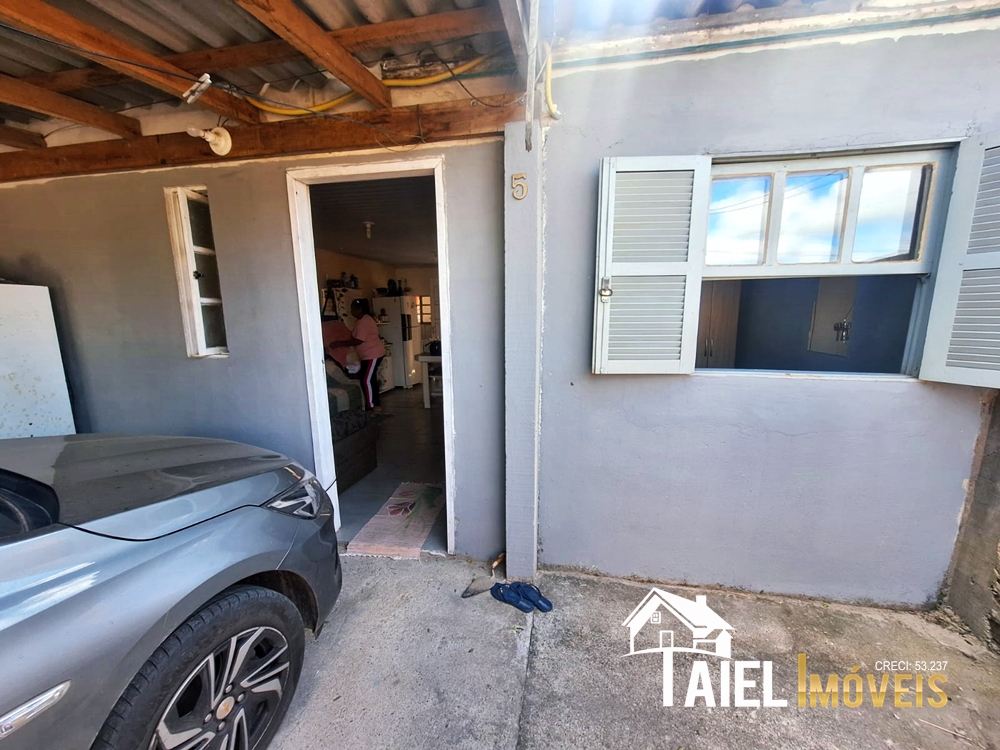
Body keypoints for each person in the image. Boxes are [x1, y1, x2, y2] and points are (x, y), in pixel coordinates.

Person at [328, 299, 386, 411]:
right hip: (368, 355)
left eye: (353, 309)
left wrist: (340, 343)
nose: (351, 311)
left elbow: (358, 340)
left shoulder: (364, 321)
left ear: (360, 309)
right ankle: (376, 405)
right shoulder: (362, 320)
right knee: (371, 379)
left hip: (372, 354)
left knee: (366, 380)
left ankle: (371, 406)